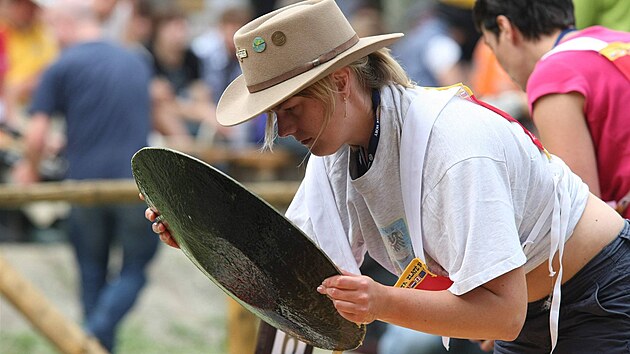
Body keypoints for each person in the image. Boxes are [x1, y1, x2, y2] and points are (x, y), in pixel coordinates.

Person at [145, 0, 630, 353]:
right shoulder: (333, 156)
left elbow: (503, 314)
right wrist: (198, 234)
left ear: (340, 81)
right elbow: (290, 275)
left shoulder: (455, 146)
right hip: (526, 313)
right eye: (274, 116)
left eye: (291, 108)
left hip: (599, 293)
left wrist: (379, 302)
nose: (284, 129)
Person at [13, 0, 158, 351]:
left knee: (91, 273)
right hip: (134, 187)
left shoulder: (62, 65)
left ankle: (88, 338)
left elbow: (35, 135)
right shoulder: (137, 61)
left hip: (84, 188)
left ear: (65, 25)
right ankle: (97, 339)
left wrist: (30, 168)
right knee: (135, 268)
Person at [472, 0, 630, 220]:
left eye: (491, 45)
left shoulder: (553, 75)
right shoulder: (616, 39)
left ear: (505, 28)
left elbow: (583, 215)